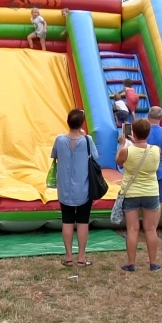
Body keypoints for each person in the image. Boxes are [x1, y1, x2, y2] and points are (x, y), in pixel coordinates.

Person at [51, 109, 99, 267]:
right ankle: (82, 257)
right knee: (83, 221)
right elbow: (95, 157)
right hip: (84, 187)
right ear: (81, 123)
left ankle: (69, 257)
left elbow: (55, 156)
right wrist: (84, 135)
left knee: (67, 221)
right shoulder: (87, 140)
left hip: (64, 188)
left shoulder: (59, 140)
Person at [116, 118, 162, 272]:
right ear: (148, 133)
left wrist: (123, 143)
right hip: (151, 191)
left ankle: (131, 262)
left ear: (133, 133)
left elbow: (119, 162)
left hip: (131, 193)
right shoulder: (156, 150)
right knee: (150, 229)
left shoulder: (126, 150)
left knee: (132, 229)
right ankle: (153, 262)